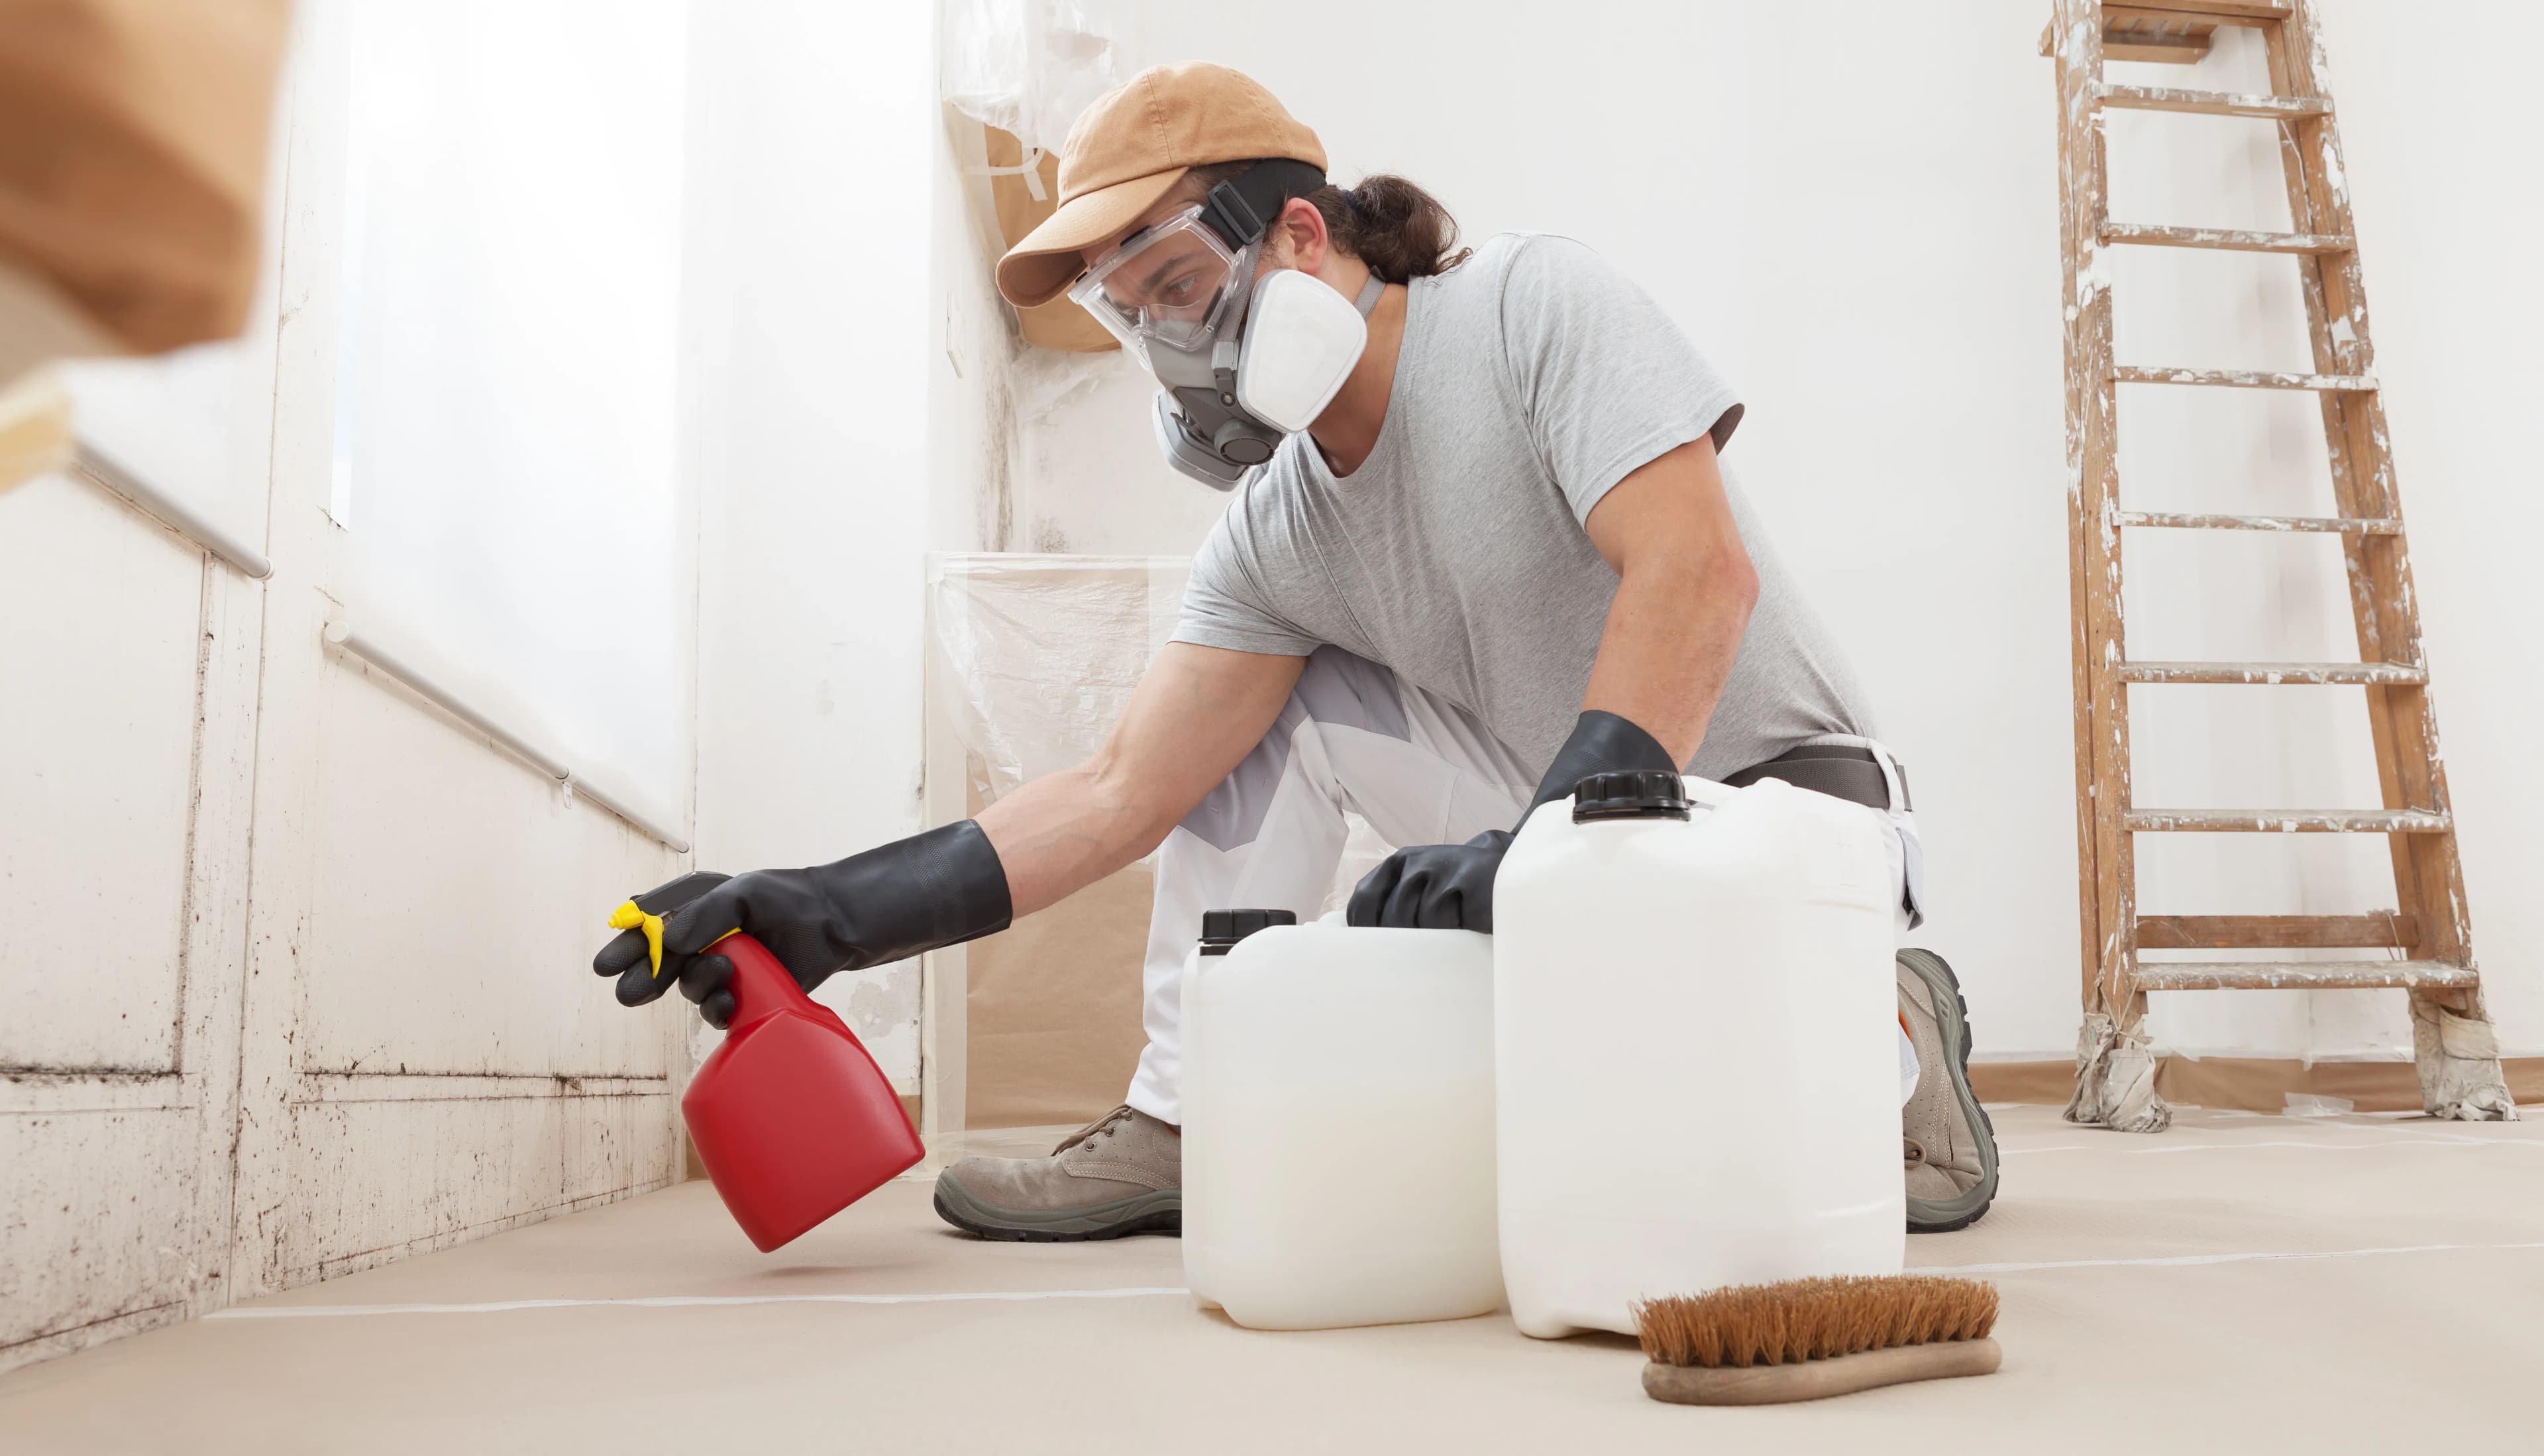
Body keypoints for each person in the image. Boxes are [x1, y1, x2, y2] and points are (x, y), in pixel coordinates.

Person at [592, 62, 1999, 1243]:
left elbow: (1700, 575)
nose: (1168, 346)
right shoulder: (1277, 533)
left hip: (1780, 813)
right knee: (1285, 705)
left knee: (1759, 1160)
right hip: (1565, 832)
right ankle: (1185, 1120)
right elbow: (1118, 787)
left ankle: (1882, 1017)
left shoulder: (1528, 307)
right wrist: (830, 913)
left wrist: (1549, 844)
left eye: (1181, 284)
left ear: (1305, 242)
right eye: (1125, 314)